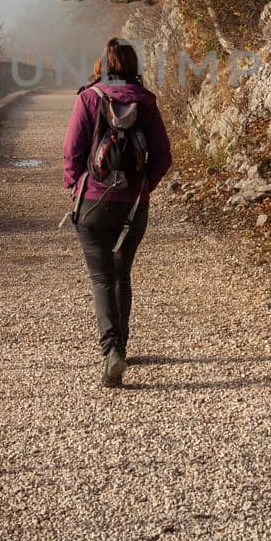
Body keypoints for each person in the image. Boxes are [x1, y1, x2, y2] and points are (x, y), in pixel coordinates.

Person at [61, 38, 172, 388]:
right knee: (122, 273)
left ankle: (111, 352)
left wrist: (75, 186)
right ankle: (120, 346)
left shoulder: (88, 98)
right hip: (133, 206)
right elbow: (163, 157)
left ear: (102, 66)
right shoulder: (147, 103)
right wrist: (143, 187)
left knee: (101, 278)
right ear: (134, 65)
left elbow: (72, 153)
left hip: (93, 203)